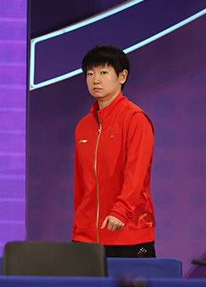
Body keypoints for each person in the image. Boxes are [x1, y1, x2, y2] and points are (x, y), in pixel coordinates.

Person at [73, 45, 156, 258]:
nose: (95, 80)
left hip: (130, 234)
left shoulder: (135, 119)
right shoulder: (83, 126)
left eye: (103, 72)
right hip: (86, 237)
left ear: (122, 76)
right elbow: (81, 182)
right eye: (90, 74)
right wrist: (80, 225)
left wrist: (121, 211)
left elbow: (136, 173)